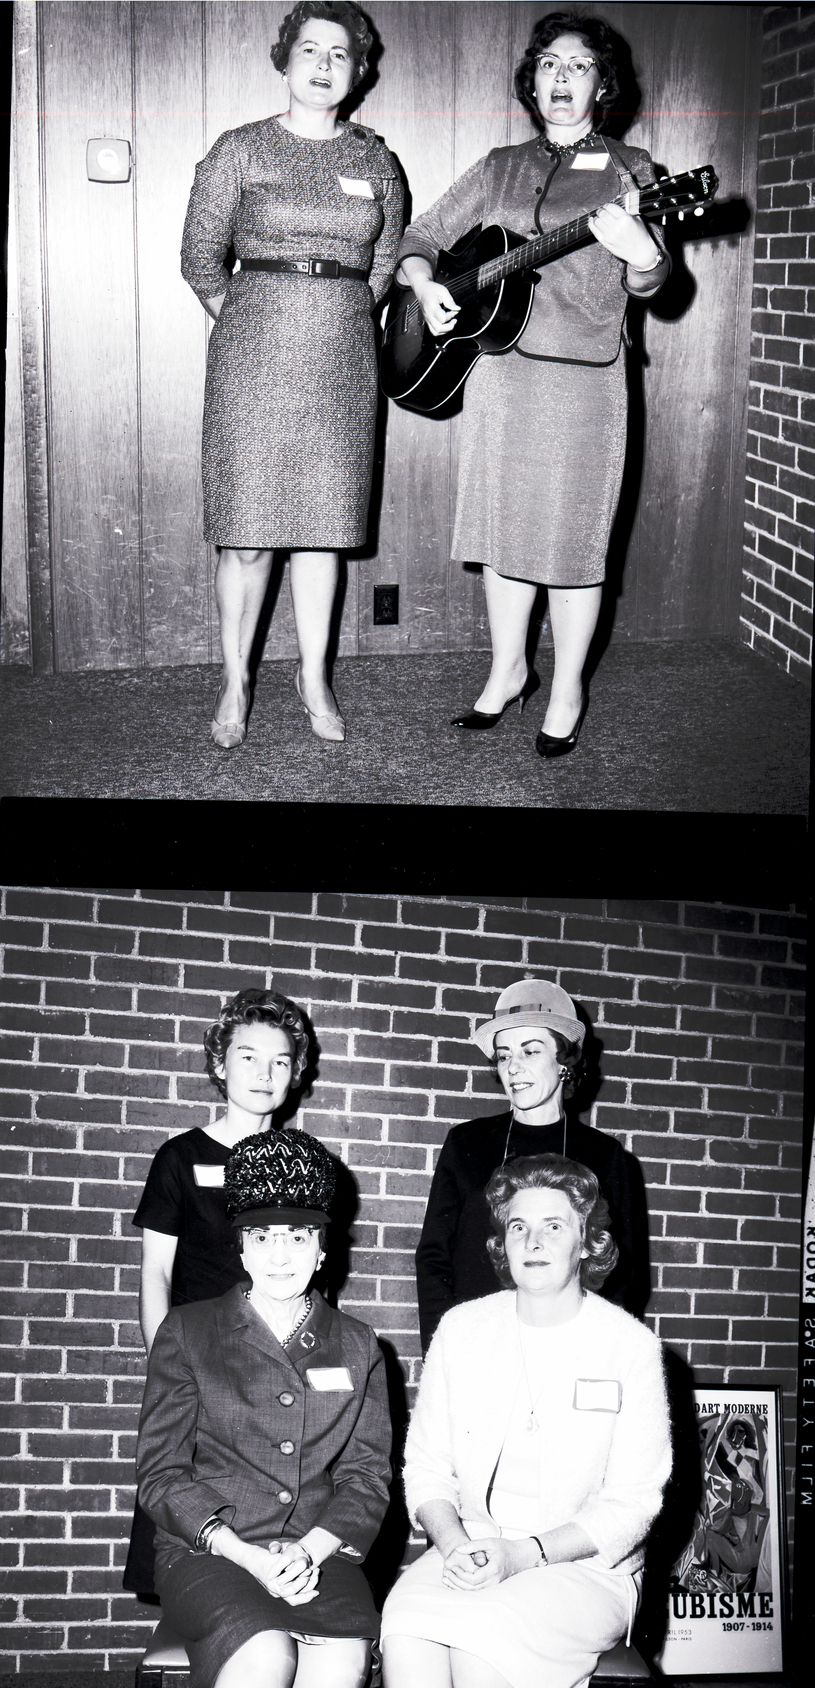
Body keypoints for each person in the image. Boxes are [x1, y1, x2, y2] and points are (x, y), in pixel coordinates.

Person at [395, 10, 670, 757]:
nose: (561, 77)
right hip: (500, 375)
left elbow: (653, 284)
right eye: (548, 63)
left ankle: (569, 686)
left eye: (578, 65)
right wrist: (422, 284)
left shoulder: (632, 169)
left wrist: (642, 251)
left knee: (574, 543)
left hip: (585, 382)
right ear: (531, 80)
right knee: (502, 533)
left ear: (603, 84)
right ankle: (508, 670)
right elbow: (419, 238)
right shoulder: (499, 166)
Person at [181, 1, 404, 749]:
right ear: (285, 61)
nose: (323, 65)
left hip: (342, 359)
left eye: (339, 54)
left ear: (357, 71)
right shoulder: (240, 149)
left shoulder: (376, 161)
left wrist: (336, 315)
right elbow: (199, 257)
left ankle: (314, 676)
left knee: (322, 533)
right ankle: (236, 680)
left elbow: (382, 263)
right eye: (309, 49)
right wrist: (253, 317)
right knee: (246, 537)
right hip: (252, 356)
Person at [380, 1155, 672, 1688]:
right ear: (503, 1243)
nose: (533, 1242)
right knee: (404, 1631)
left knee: (482, 1645)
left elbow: (633, 1504)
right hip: (473, 1546)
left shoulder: (629, 1347)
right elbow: (425, 1467)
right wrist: (454, 1545)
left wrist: (523, 1555)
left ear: (587, 1242)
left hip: (584, 1567)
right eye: (518, 1227)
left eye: (553, 1226)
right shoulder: (462, 1330)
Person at [137, 1127, 391, 1688]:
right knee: (266, 1655)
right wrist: (250, 1557)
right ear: (241, 1247)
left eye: (298, 1237)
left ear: (323, 1249)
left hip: (318, 1552)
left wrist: (308, 1552)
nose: (280, 1256)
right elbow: (161, 1476)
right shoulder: (188, 1332)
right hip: (209, 1550)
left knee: (342, 1663)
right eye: (262, 1236)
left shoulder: (357, 1344)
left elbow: (366, 1478)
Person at [124, 987, 311, 1596]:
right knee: (191, 1524)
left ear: (295, 1074)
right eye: (248, 1057)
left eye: (280, 1061)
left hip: (278, 1366)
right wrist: (170, 1367)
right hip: (202, 1363)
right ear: (220, 1064)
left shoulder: (303, 1163)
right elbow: (156, 1272)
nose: (264, 1073)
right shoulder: (180, 1158)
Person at [415, 978, 648, 1354]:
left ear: (564, 1061)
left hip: (568, 1353)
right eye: (504, 1055)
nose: (513, 1068)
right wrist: (443, 1348)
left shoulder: (606, 1156)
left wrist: (596, 1356)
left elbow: (623, 1277)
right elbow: (433, 1259)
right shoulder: (466, 1143)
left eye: (531, 1051)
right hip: (477, 1349)